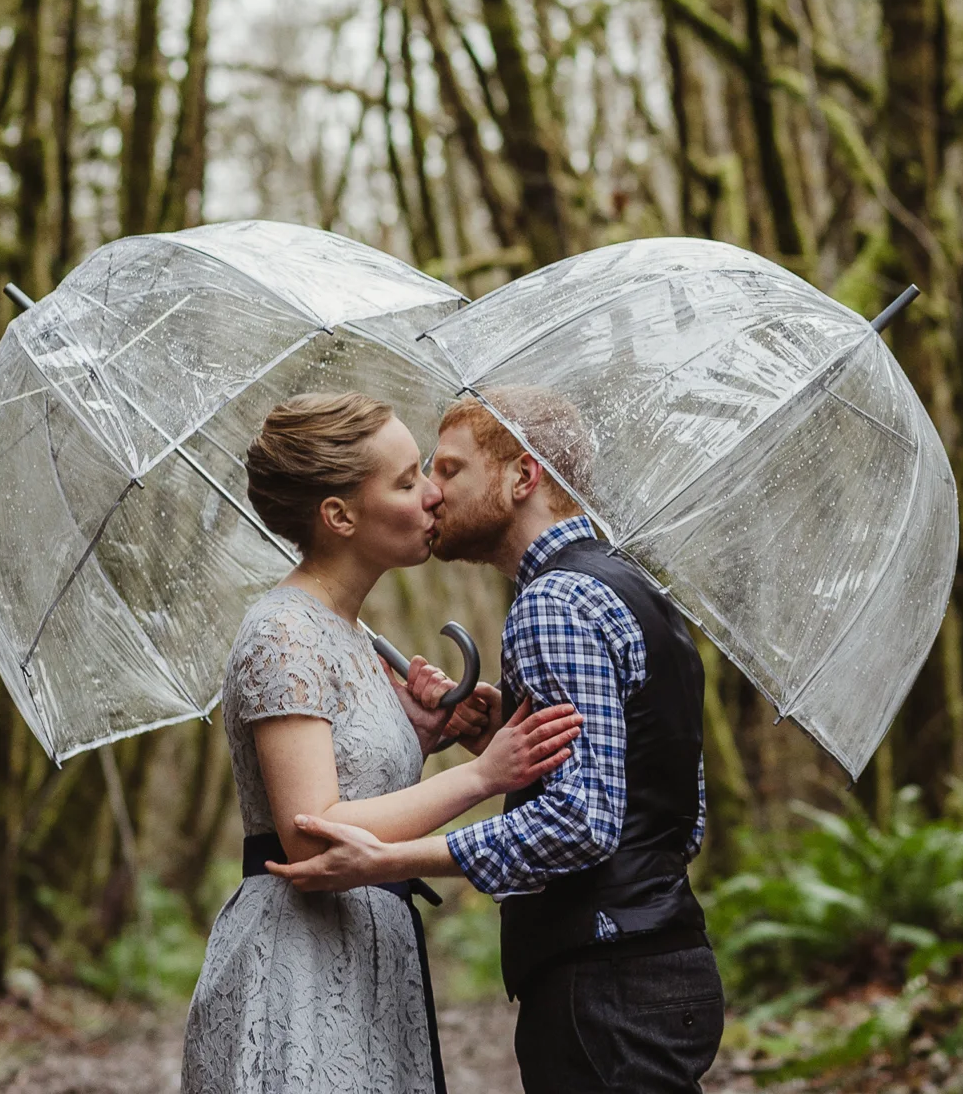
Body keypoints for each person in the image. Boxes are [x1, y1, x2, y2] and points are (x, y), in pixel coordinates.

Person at [269, 387, 723, 1094]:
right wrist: (499, 744)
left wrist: (391, 859)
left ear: (523, 476)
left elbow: (582, 822)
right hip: (663, 957)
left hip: (605, 978)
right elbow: (660, 800)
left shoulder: (552, 603)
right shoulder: (635, 588)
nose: (432, 492)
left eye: (449, 469)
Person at [182, 391, 584, 1094]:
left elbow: (352, 790)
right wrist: (483, 776)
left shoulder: (349, 633)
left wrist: (417, 740)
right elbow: (311, 833)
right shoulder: (284, 633)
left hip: (368, 946)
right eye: (405, 482)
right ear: (339, 516)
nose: (433, 494)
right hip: (299, 963)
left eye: (425, 471)